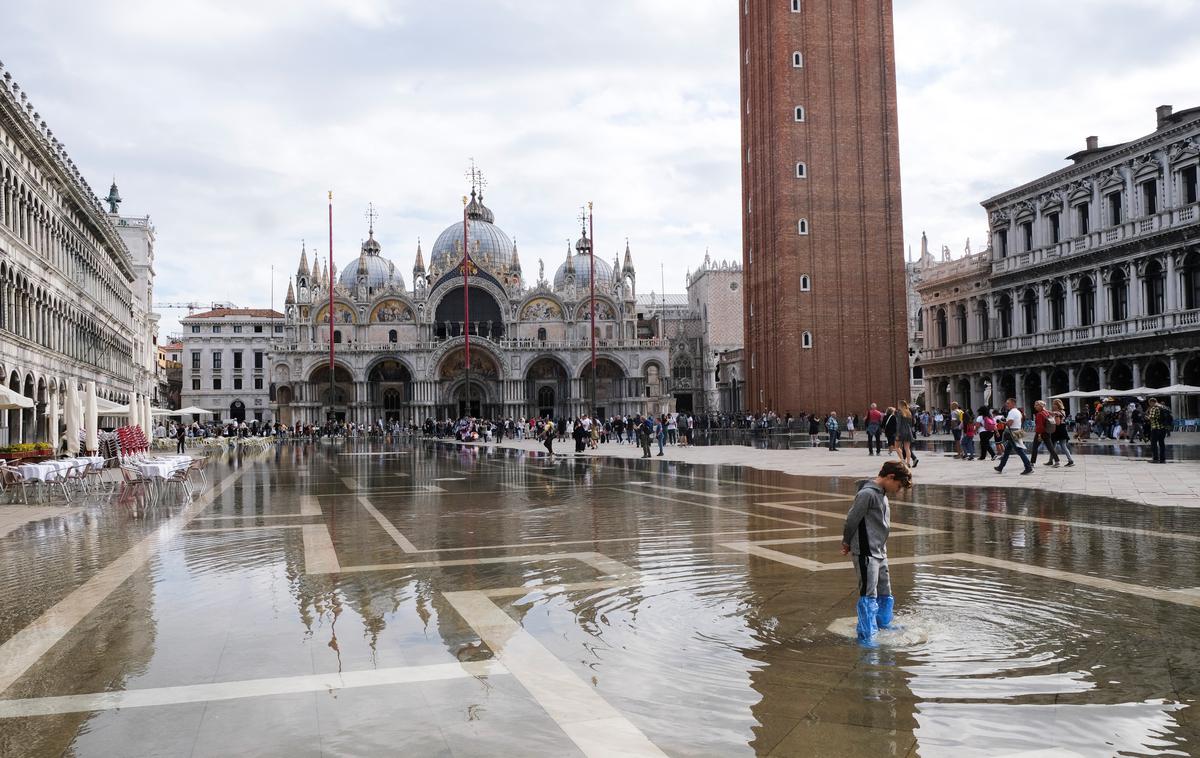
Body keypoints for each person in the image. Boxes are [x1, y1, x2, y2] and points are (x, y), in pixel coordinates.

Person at [841, 460, 912, 642]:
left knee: (884, 590)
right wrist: (846, 542)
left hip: (880, 550)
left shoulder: (882, 494)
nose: (898, 490)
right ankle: (866, 634)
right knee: (868, 593)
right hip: (866, 552)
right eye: (898, 486)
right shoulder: (867, 494)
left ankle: (882, 623)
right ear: (890, 477)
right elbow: (852, 519)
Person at [995, 398, 1034, 475]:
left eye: (1008, 403)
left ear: (1013, 403)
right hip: (1017, 430)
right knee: (1007, 451)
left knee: (1019, 450)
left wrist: (1001, 422)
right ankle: (1000, 466)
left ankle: (1028, 467)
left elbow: (1009, 423)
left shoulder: (1012, 412)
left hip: (1012, 432)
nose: (1006, 405)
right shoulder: (1018, 411)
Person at [1029, 400, 1060, 467]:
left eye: (1036, 405)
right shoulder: (1046, 412)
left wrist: (1039, 434)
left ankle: (1032, 463)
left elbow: (1040, 426)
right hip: (1047, 432)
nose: (1035, 406)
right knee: (1050, 447)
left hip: (1040, 433)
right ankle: (1057, 461)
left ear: (1041, 406)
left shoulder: (1039, 414)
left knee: (1035, 447)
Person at [1050, 399, 1075, 467]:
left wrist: (1052, 420)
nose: (1053, 405)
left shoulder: (1057, 413)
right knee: (1063, 446)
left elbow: (1057, 423)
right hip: (1063, 430)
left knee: (1054, 446)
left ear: (1057, 405)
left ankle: (1056, 462)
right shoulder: (1062, 412)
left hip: (1058, 430)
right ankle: (1070, 460)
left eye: (1054, 404)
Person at [1146, 397, 1171, 463]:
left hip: (1155, 428)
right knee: (1161, 444)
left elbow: (1151, 418)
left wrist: (1147, 417)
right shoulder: (1162, 407)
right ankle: (1162, 458)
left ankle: (1155, 458)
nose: (1150, 405)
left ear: (1152, 402)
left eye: (1150, 403)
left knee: (1153, 444)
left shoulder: (1154, 408)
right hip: (1163, 429)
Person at [896, 401, 918, 468]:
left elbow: (898, 424)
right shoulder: (909, 413)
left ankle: (902, 461)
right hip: (909, 431)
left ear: (900, 405)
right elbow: (912, 424)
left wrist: (897, 433)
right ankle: (908, 463)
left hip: (902, 431)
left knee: (897, 447)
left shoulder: (900, 413)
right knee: (907, 448)